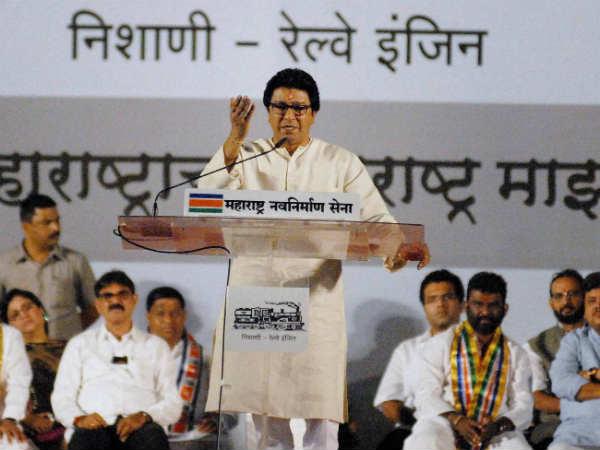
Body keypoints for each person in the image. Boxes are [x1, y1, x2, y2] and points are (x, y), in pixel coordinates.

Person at [196, 68, 430, 450]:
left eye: (299, 108)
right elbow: (205, 200)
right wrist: (235, 138)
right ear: (267, 112)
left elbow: (376, 219)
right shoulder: (245, 155)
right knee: (265, 419)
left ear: (314, 113)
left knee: (319, 416)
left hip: (315, 294)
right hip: (257, 293)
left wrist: (397, 247)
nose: (289, 115)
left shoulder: (339, 162)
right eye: (280, 106)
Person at [51, 270, 183, 450]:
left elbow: (172, 402)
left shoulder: (156, 346)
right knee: (86, 441)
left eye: (123, 295)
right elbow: (62, 396)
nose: (115, 301)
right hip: (93, 426)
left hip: (142, 428)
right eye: (108, 296)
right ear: (98, 305)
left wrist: (144, 416)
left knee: (153, 439)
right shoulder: (80, 344)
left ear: (134, 300)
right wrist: (80, 418)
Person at [403, 272, 533, 450]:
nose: (485, 312)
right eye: (478, 304)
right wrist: (457, 420)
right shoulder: (437, 345)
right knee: (426, 439)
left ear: (505, 309)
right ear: (466, 306)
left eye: (493, 306)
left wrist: (498, 425)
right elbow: (425, 395)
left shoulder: (516, 353)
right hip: (444, 423)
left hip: (494, 430)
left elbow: (524, 404)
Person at [373, 269, 464, 450]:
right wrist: (422, 420)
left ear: (462, 304)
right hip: (415, 427)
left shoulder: (483, 345)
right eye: (432, 299)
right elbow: (388, 402)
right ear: (424, 307)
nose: (440, 304)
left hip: (470, 427)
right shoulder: (407, 350)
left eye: (447, 297)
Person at [0, 193, 98, 339]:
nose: (55, 228)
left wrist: (70, 332)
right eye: (46, 223)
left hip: (66, 349)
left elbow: (94, 308)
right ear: (26, 227)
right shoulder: (4, 264)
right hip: (21, 349)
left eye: (57, 221)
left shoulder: (75, 261)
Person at [146, 286, 232, 449]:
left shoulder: (205, 358)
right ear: (148, 316)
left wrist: (218, 420)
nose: (168, 320)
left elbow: (231, 403)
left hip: (195, 441)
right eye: (160, 313)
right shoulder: (130, 355)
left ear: (184, 316)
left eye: (175, 314)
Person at [524, 269, 585, 450]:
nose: (566, 301)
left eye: (572, 294)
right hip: (554, 428)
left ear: (584, 297)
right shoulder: (536, 346)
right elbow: (537, 398)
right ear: (551, 303)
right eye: (559, 296)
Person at [1, 289, 67, 450]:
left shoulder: (73, 347)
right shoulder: (10, 357)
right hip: (32, 430)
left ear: (41, 310)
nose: (24, 315)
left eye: (27, 307)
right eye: (15, 315)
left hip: (75, 421)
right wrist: (28, 418)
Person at [547, 272, 600, 450]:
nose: (598, 306)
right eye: (592, 301)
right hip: (577, 434)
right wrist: (595, 374)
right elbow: (561, 383)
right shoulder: (574, 340)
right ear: (584, 308)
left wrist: (586, 376)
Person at [0, 319, 35, 450]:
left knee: (12, 442)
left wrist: (10, 418)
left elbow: (19, 382)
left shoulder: (9, 335)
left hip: (4, 419)